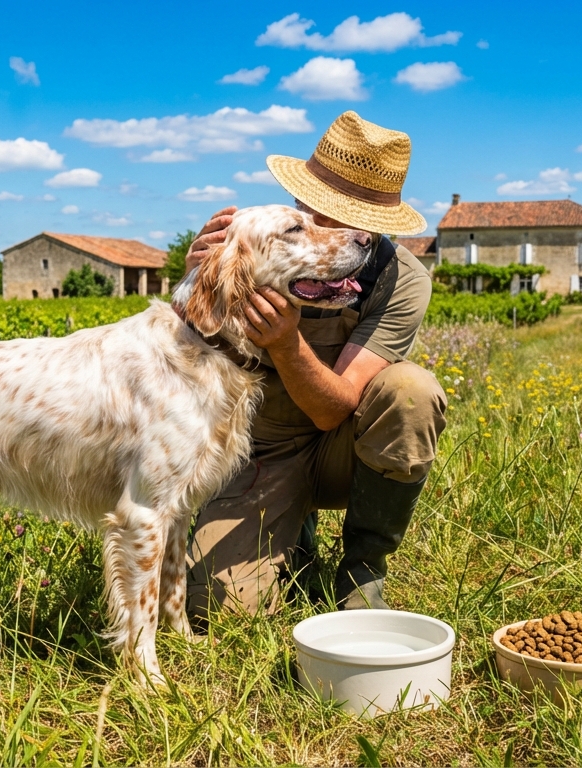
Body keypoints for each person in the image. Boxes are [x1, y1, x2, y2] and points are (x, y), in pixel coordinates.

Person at [184, 111, 448, 620]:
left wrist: (286, 345)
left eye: (347, 220)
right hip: (257, 450)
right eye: (318, 212)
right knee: (218, 609)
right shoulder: (254, 239)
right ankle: (293, 538)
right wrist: (199, 277)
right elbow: (188, 350)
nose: (329, 232)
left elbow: (336, 410)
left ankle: (362, 570)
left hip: (343, 449)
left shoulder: (403, 280)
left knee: (409, 390)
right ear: (301, 197)